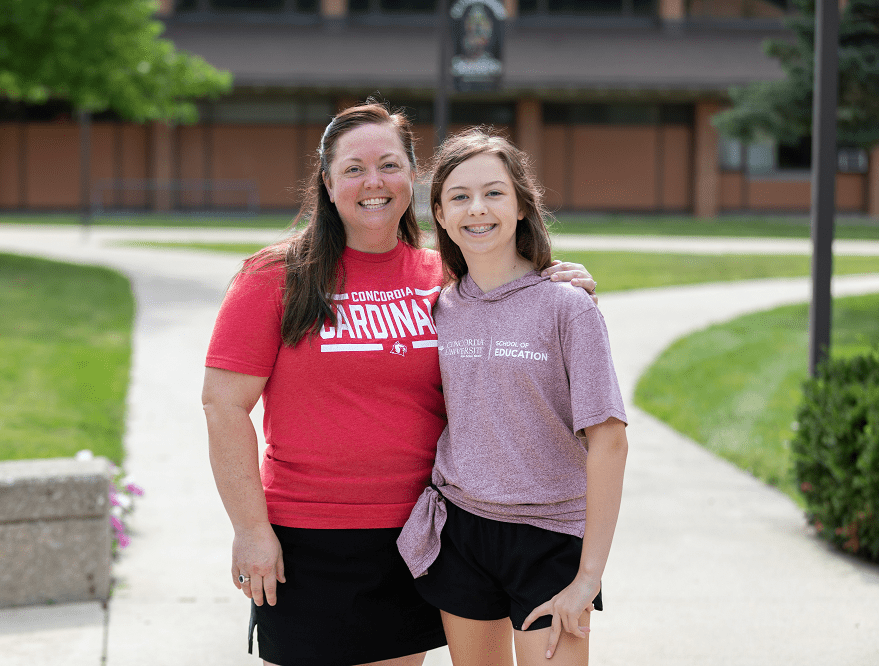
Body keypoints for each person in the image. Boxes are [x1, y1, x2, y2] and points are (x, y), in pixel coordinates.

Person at [201, 103, 597, 666]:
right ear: (327, 180)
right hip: (308, 538)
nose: (373, 182)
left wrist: (559, 283)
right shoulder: (273, 276)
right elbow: (223, 406)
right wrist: (250, 529)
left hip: (419, 534)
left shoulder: (448, 279)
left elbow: (521, 336)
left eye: (389, 164)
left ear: (413, 175)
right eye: (354, 168)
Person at [397, 130, 628, 666]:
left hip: (548, 537)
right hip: (462, 529)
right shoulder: (439, 307)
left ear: (523, 205)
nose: (477, 209)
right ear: (441, 215)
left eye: (494, 193)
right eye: (459, 197)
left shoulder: (568, 307)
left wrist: (588, 575)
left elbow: (610, 442)